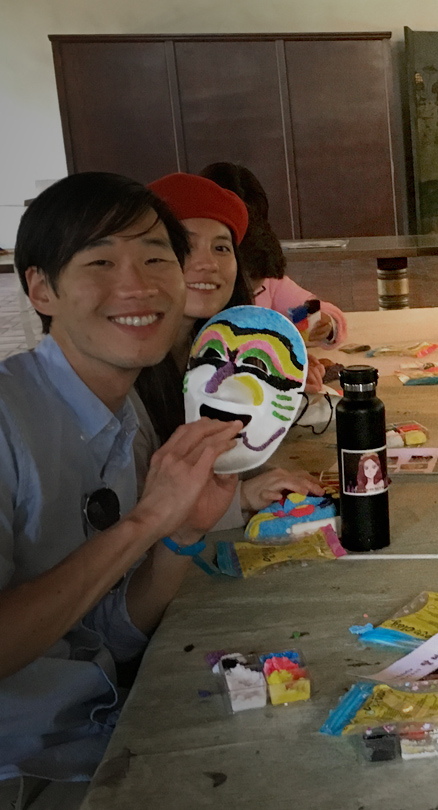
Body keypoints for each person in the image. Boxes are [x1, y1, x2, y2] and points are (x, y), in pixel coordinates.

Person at [0, 173, 244, 804]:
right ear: (41, 289)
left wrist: (180, 533)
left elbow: (106, 628)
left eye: (157, 258)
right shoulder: (7, 419)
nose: (137, 285)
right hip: (25, 770)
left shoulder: (124, 409)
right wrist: (144, 523)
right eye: (101, 261)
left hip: (107, 725)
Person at [137, 173, 321, 524]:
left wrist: (257, 478)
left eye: (222, 247)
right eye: (186, 246)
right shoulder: (124, 372)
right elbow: (130, 511)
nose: (210, 264)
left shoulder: (214, 351)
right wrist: (240, 499)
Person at [198, 162, 347, 347]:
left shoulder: (263, 278)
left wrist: (326, 323)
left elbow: (308, 309)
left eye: (253, 223)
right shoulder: (195, 294)